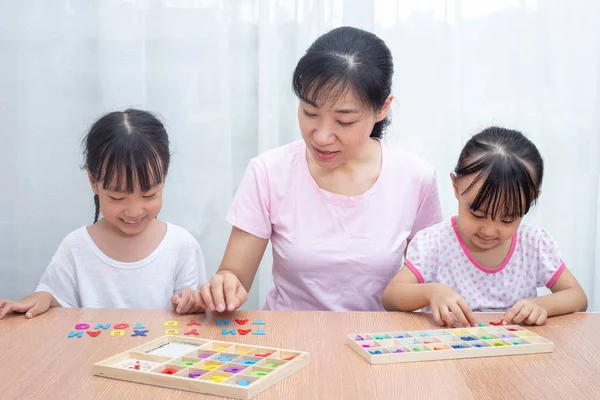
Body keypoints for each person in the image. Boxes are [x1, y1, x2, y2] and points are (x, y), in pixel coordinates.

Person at [188, 26, 443, 312]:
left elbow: (426, 286)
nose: (321, 136)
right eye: (310, 113)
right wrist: (223, 286)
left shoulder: (415, 179)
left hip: (375, 343)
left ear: (382, 109)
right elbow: (234, 276)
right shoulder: (269, 172)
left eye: (344, 121)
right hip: (289, 342)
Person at [0, 109, 207, 319]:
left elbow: (194, 315)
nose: (134, 211)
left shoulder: (181, 245)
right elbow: (57, 300)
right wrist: (44, 297)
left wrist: (194, 302)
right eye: (117, 198)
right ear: (93, 182)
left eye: (149, 195)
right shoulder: (76, 247)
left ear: (165, 175)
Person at [382, 127, 588, 326]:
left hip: (517, 356)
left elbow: (577, 297)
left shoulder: (533, 242)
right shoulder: (435, 243)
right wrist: (431, 292)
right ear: (456, 187)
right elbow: (391, 297)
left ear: (531, 201)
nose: (488, 230)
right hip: (450, 355)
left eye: (507, 219)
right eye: (477, 214)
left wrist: (541, 305)